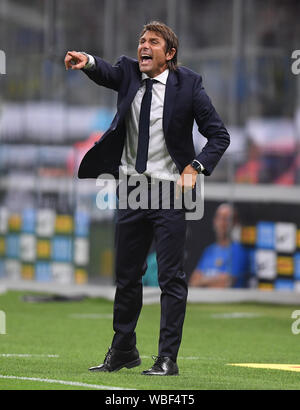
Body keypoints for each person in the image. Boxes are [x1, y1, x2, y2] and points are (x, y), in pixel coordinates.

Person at [64, 21, 230, 376]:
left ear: (169, 54)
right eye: (142, 40)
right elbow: (106, 72)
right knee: (126, 276)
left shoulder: (189, 85)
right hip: (131, 189)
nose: (144, 45)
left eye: (153, 42)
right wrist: (87, 61)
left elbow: (219, 135)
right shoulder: (128, 71)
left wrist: (196, 167)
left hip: (170, 189)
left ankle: (167, 358)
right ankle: (123, 349)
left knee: (171, 277)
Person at [189, 203, 248, 288]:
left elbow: (226, 283)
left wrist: (203, 281)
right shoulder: (209, 250)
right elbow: (193, 282)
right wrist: (216, 279)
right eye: (219, 218)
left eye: (226, 219)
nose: (222, 223)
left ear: (234, 223)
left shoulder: (238, 251)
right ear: (214, 221)